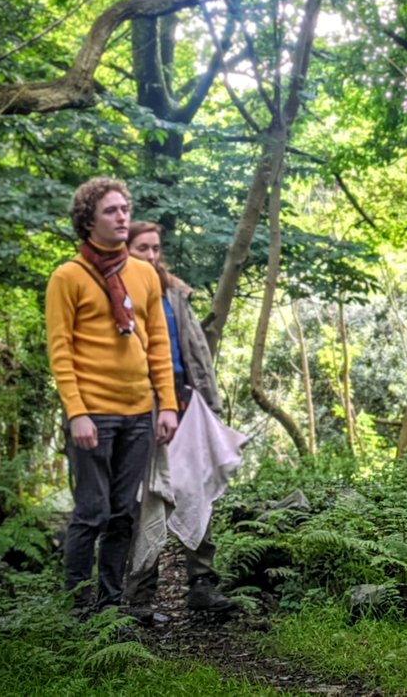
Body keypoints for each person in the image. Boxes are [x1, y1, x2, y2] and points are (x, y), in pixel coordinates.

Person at [45, 178, 180, 615]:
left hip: (139, 411)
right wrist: (77, 412)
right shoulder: (67, 277)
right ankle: (77, 608)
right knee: (91, 511)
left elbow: (158, 344)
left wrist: (167, 405)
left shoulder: (144, 274)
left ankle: (109, 608)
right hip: (93, 413)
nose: (122, 217)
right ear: (88, 220)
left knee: (124, 512)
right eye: (111, 210)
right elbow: (60, 351)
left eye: (125, 209)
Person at [122, 221, 237, 617]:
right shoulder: (116, 293)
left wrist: (210, 401)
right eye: (142, 248)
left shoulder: (174, 292)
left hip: (186, 402)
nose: (151, 255)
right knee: (146, 495)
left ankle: (202, 583)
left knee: (197, 487)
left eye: (155, 248)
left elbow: (196, 350)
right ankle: (140, 592)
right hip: (140, 406)